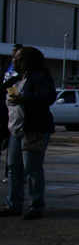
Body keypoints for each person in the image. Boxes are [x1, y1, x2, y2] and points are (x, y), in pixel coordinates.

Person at [0, 47, 56, 219]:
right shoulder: (15, 80)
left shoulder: (40, 77)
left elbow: (49, 95)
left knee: (32, 169)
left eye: (15, 58)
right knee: (14, 170)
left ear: (24, 62)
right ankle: (14, 205)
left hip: (33, 130)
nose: (12, 61)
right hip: (14, 131)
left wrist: (25, 98)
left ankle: (36, 206)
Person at [2, 44, 23, 184]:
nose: (13, 55)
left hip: (18, 113)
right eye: (13, 52)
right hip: (5, 110)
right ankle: (10, 173)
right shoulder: (8, 66)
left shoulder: (24, 72)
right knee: (8, 145)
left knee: (16, 146)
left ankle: (18, 174)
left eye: (16, 53)